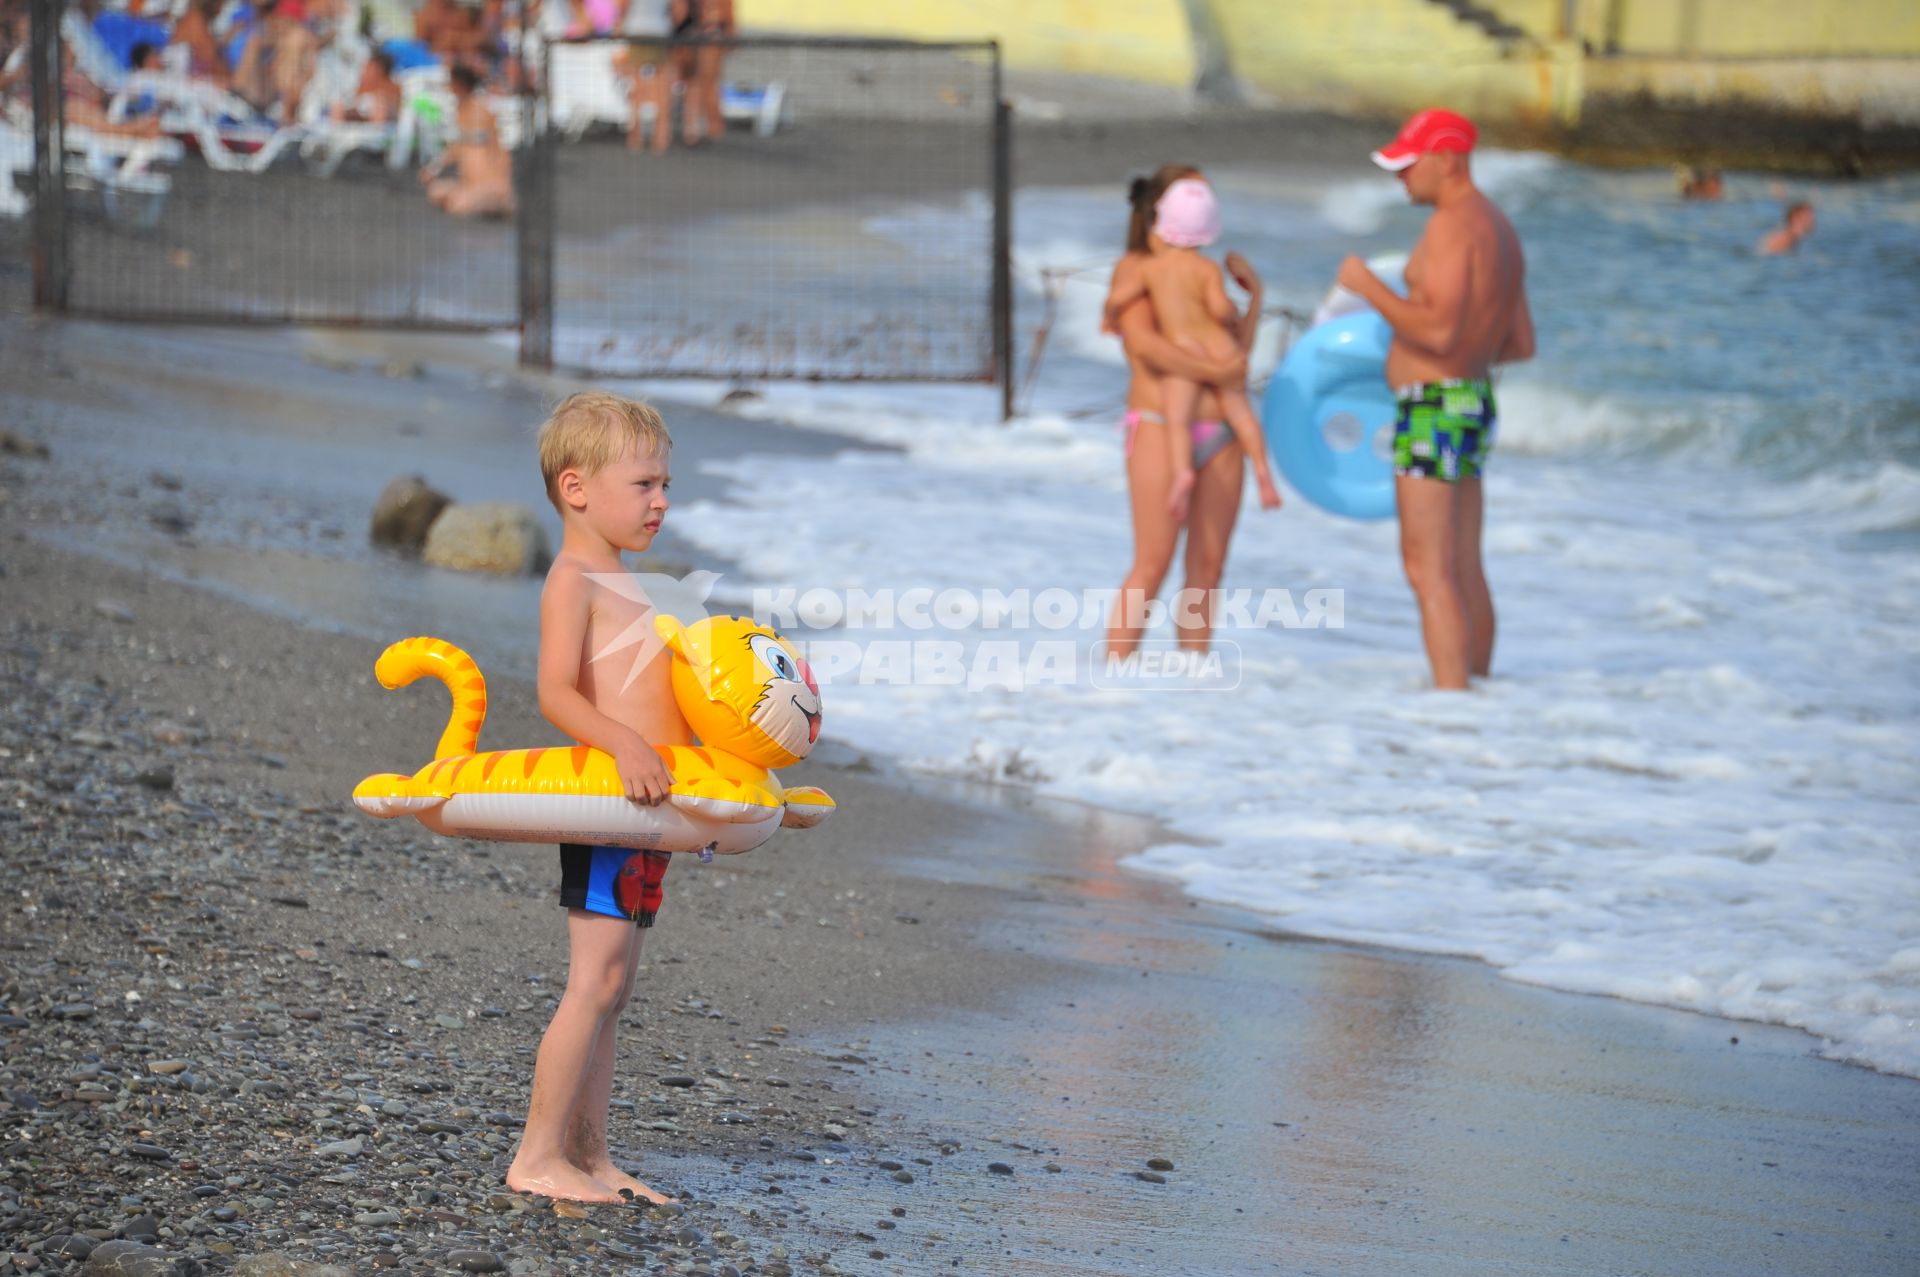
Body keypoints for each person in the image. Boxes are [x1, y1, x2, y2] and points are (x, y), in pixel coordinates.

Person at [504, 391, 688, 1205]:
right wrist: (623, 743)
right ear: (576, 489)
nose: (662, 500)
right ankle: (536, 1154)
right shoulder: (574, 578)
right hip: (607, 806)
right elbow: (555, 692)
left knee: (617, 986)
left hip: (646, 810)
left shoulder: (633, 581)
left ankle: (590, 1151)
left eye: (665, 484)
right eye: (645, 483)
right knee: (592, 981)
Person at [1337, 108, 1534, 690]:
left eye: (1407, 164)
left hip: (1433, 405)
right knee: (1463, 564)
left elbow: (1441, 333)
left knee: (1427, 569)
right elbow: (1520, 344)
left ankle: (1452, 710)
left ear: (1447, 159)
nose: (1400, 178)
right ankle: (1476, 698)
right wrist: (1463, 353)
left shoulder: (1451, 227)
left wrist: (1367, 287)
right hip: (1471, 399)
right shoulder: (1498, 228)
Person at [1104, 164, 1262, 658]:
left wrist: (1255, 297)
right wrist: (1217, 374)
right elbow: (1145, 348)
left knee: (1209, 567)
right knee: (1152, 561)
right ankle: (1112, 682)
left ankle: (1192, 686)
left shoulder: (1205, 272)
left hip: (1221, 431)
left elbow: (1240, 352)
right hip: (1157, 424)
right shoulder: (1136, 269)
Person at [1103, 174, 1282, 521]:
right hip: (1218, 349)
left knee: (1178, 419)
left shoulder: (1150, 270)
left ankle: (1182, 471)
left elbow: (1118, 298)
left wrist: (1110, 316)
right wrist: (1236, 306)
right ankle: (1262, 469)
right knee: (1242, 412)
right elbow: (1219, 309)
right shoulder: (1206, 269)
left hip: (1185, 351)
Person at [419, 62, 514, 218]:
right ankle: (478, 199)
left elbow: (474, 141)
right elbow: (456, 147)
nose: (449, 87)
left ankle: (496, 202)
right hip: (470, 182)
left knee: (458, 205)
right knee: (436, 192)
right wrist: (433, 168)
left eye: (451, 82)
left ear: (460, 85)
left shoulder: (479, 109)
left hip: (492, 182)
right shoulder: (462, 111)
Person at [669, 0, 730, 145]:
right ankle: (699, 129)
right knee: (699, 84)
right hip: (697, 37)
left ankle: (697, 129)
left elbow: (679, 14)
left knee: (698, 84)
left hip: (693, 37)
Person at [611, 36, 674, 153]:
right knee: (638, 98)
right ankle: (637, 137)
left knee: (660, 98)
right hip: (640, 52)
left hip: (657, 51)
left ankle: (660, 138)